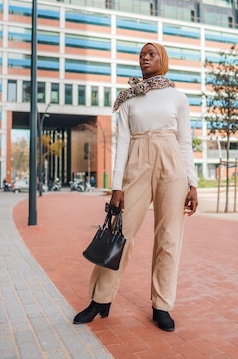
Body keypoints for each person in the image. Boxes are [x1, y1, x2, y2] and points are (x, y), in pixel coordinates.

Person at [73, 42, 198, 332]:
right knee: (122, 232)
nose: (144, 58)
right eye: (142, 55)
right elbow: (123, 144)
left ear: (162, 59)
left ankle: (161, 306)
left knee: (169, 239)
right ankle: (100, 300)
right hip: (138, 163)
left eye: (151, 54)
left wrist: (192, 182)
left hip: (172, 164)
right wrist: (117, 186)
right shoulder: (129, 99)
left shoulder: (177, 97)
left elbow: (184, 142)